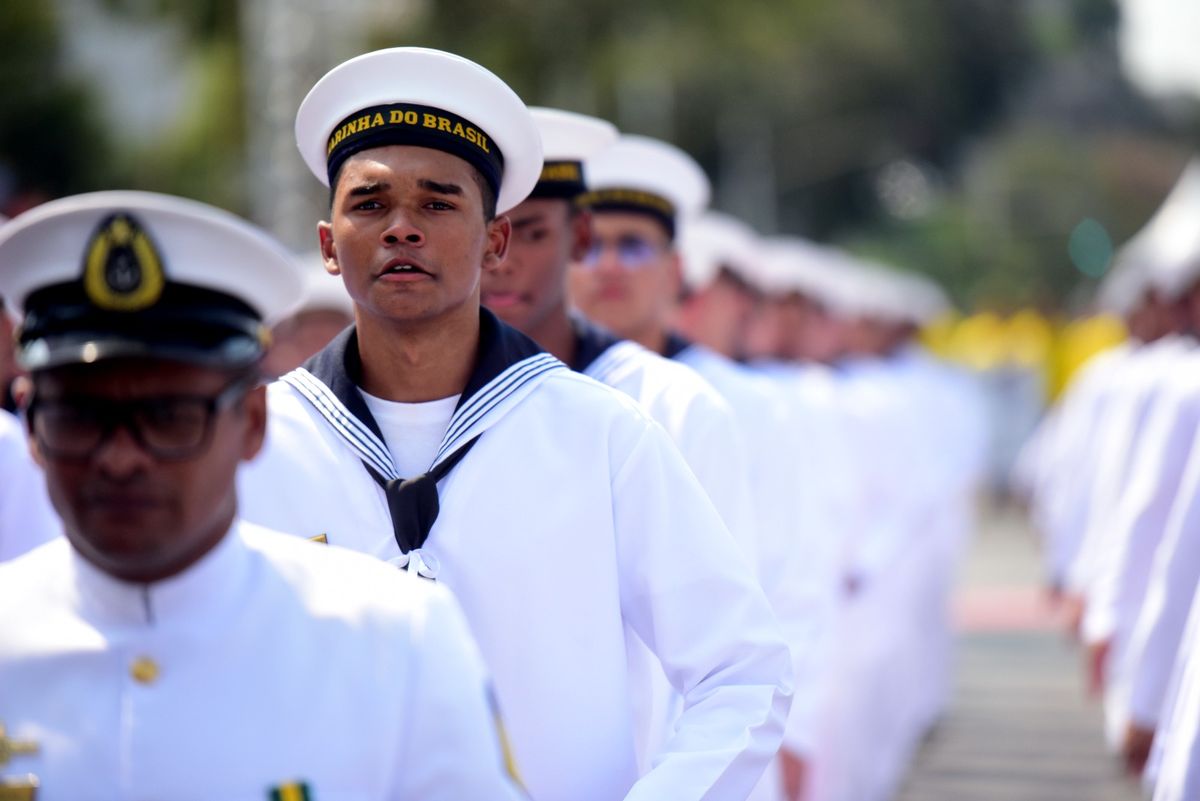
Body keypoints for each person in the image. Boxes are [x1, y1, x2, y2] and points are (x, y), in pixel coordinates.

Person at [238, 47, 792, 801]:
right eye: (370, 204)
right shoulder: (256, 439)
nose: (402, 228)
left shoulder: (599, 433)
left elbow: (742, 670)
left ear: (495, 241)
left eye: (438, 203)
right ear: (329, 246)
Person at [0, 190, 524, 800]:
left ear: (252, 422)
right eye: (81, 417)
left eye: (170, 416)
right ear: (31, 426)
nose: (121, 457)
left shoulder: (391, 641)